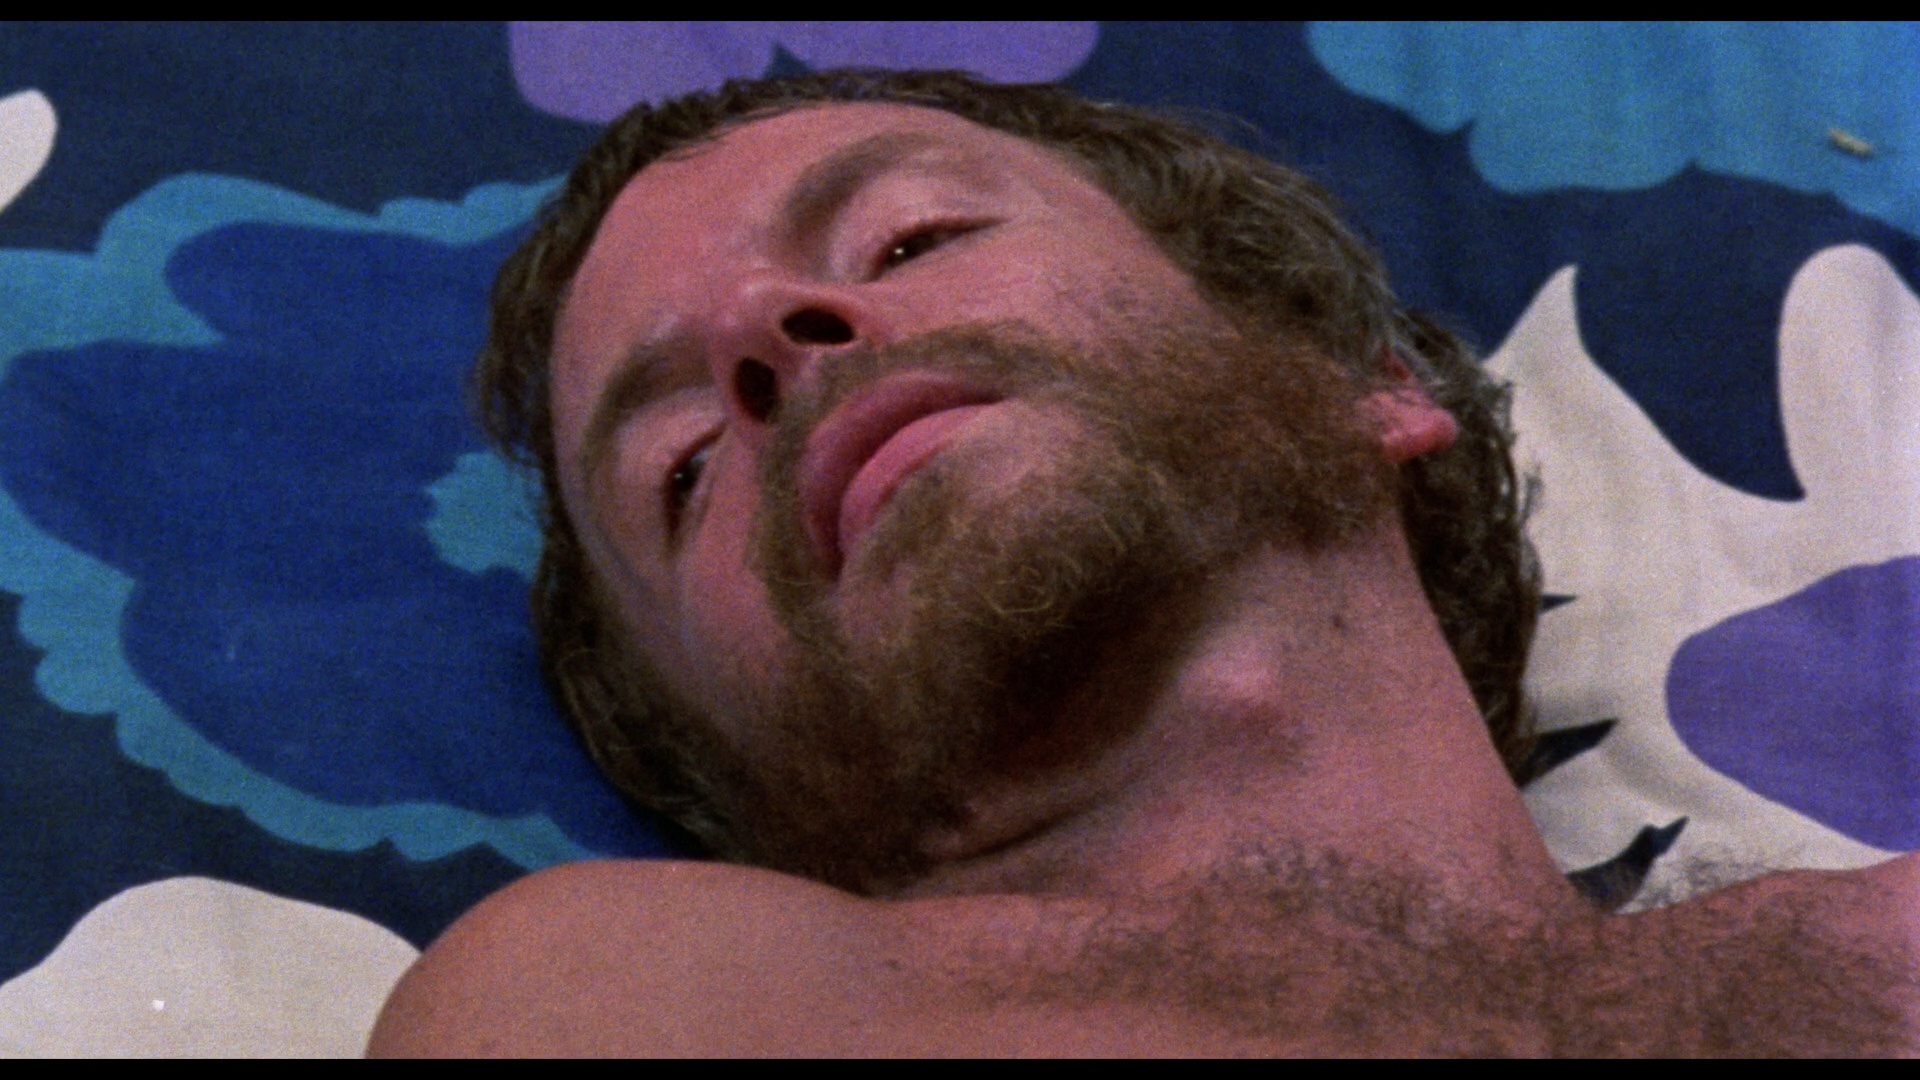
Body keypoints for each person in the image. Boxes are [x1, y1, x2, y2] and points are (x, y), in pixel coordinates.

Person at [368, 71, 1917, 1056]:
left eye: (912, 239)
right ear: (731, 767)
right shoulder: (639, 1007)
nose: (762, 335)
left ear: (1362, 379)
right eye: (683, 467)